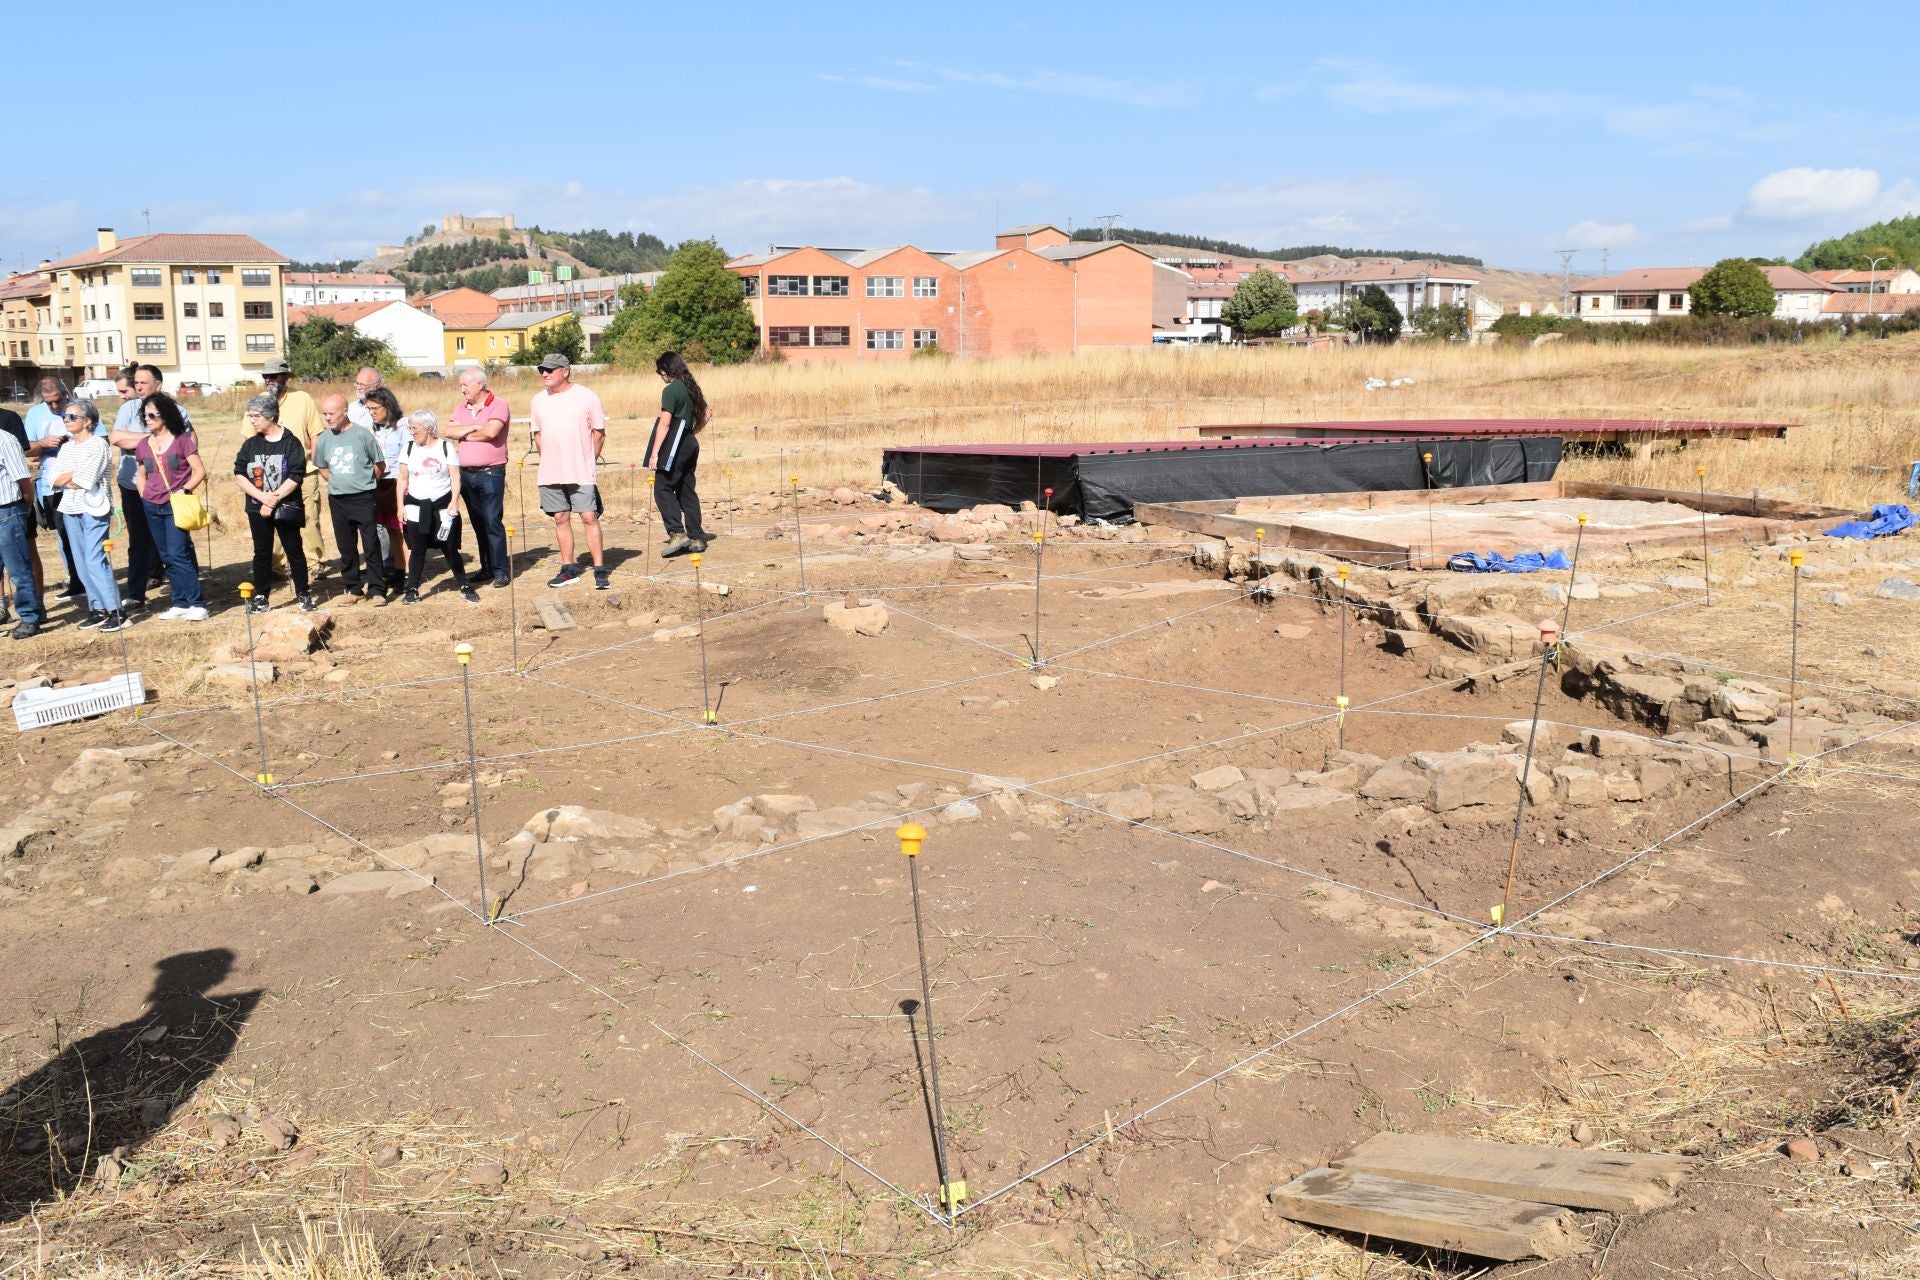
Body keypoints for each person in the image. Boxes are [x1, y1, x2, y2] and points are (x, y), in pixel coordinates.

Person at [107, 364, 197, 612]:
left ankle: (190, 594)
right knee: (138, 542)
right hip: (133, 486)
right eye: (135, 382)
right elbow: (116, 438)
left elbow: (185, 443)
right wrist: (155, 439)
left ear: (158, 385)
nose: (138, 387)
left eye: (143, 383)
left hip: (171, 490)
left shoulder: (177, 410)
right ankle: (136, 594)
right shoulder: (128, 409)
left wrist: (139, 441)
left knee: (178, 544)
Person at [528, 353, 608, 589]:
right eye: (542, 369)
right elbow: (538, 434)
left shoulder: (586, 397)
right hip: (550, 472)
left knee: (588, 517)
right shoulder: (538, 400)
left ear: (565, 371)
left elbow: (599, 433)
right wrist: (550, 460)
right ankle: (568, 568)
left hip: (580, 471)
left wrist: (587, 460)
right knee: (560, 518)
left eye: (550, 370)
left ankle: (599, 569)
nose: (544, 373)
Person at [232, 393, 316, 613]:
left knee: (294, 549)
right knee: (262, 552)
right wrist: (262, 498)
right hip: (256, 506)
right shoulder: (250, 444)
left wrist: (274, 498)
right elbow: (239, 473)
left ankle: (303, 594)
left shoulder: (291, 443)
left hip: (286, 506)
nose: (251, 420)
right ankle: (261, 597)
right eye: (249, 415)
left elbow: (297, 474)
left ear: (270, 416)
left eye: (255, 415)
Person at [48, 399, 125, 632]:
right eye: (65, 416)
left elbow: (86, 480)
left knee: (94, 559)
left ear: (88, 422)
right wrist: (67, 478)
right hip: (70, 508)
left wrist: (67, 478)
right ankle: (97, 609)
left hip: (94, 507)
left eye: (72, 417)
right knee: (81, 562)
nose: (66, 420)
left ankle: (116, 610)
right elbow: (52, 477)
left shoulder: (97, 445)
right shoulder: (67, 447)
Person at [132, 392, 208, 622]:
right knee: (166, 556)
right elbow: (141, 474)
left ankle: (197, 604)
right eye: (144, 415)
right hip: (151, 506)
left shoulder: (182, 440)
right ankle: (180, 602)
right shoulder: (144, 445)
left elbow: (199, 471)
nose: (148, 418)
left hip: (175, 505)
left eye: (152, 414)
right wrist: (144, 495)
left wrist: (184, 490)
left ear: (165, 415)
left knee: (178, 553)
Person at [395, 409, 478, 605]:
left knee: (449, 548)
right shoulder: (408, 449)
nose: (412, 432)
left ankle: (463, 584)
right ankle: (412, 589)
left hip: (442, 507)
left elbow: (455, 478)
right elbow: (402, 479)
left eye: (415, 428)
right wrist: (400, 506)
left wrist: (454, 502)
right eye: (410, 428)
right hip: (416, 508)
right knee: (417, 549)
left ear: (428, 428)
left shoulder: (445, 448)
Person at [440, 367, 511, 587]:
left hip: (491, 473)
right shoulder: (461, 408)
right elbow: (448, 431)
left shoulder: (499, 404)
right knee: (478, 523)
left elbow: (492, 432)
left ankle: (501, 571)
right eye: (461, 385)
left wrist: (464, 434)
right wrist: (474, 427)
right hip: (466, 475)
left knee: (492, 521)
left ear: (479, 384)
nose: (462, 390)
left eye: (465, 385)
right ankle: (487, 567)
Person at [316, 394, 388, 604]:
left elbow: (379, 465)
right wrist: (339, 482)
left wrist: (364, 484)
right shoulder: (324, 438)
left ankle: (377, 590)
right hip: (338, 499)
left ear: (344, 412)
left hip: (363, 498)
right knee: (346, 547)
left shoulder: (362, 435)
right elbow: (322, 466)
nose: (327, 418)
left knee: (371, 544)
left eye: (332, 413)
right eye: (325, 414)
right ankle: (354, 589)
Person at [258, 359, 327, 572]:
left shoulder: (302, 399)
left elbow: (316, 434)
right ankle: (277, 568)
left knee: (309, 520)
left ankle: (315, 565)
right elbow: (249, 440)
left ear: (286, 377)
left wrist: (315, 464)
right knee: (272, 521)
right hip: (270, 475)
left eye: (274, 376)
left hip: (304, 473)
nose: (269, 380)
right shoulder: (257, 402)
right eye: (265, 377)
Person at [644, 351, 710, 558]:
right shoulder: (692, 387)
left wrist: (654, 454)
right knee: (686, 489)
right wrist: (692, 432)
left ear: (665, 369)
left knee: (662, 487)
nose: (660, 376)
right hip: (690, 442)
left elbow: (665, 423)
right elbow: (707, 413)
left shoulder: (671, 389)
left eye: (659, 371)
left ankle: (677, 533)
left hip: (676, 444)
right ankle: (697, 537)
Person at [23, 377, 80, 601]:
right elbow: (27, 450)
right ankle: (75, 580)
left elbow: (101, 439)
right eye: (49, 403)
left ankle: (86, 579)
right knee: (64, 536)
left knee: (83, 534)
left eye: (58, 400)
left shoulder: (81, 407)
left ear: (65, 393)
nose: (56, 406)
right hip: (51, 486)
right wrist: (43, 444)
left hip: (80, 483)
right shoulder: (35, 415)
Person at [0, 425, 45, 638]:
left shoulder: (5, 440)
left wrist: (24, 507)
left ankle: (29, 617)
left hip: (7, 510)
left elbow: (24, 481)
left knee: (18, 569)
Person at [363, 386, 409, 582]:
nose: (372, 413)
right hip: (380, 483)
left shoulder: (402, 428)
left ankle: (408, 574)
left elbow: (408, 457)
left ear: (387, 406)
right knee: (391, 531)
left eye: (375, 408)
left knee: (402, 531)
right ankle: (399, 571)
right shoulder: (371, 429)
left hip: (398, 483)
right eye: (369, 409)